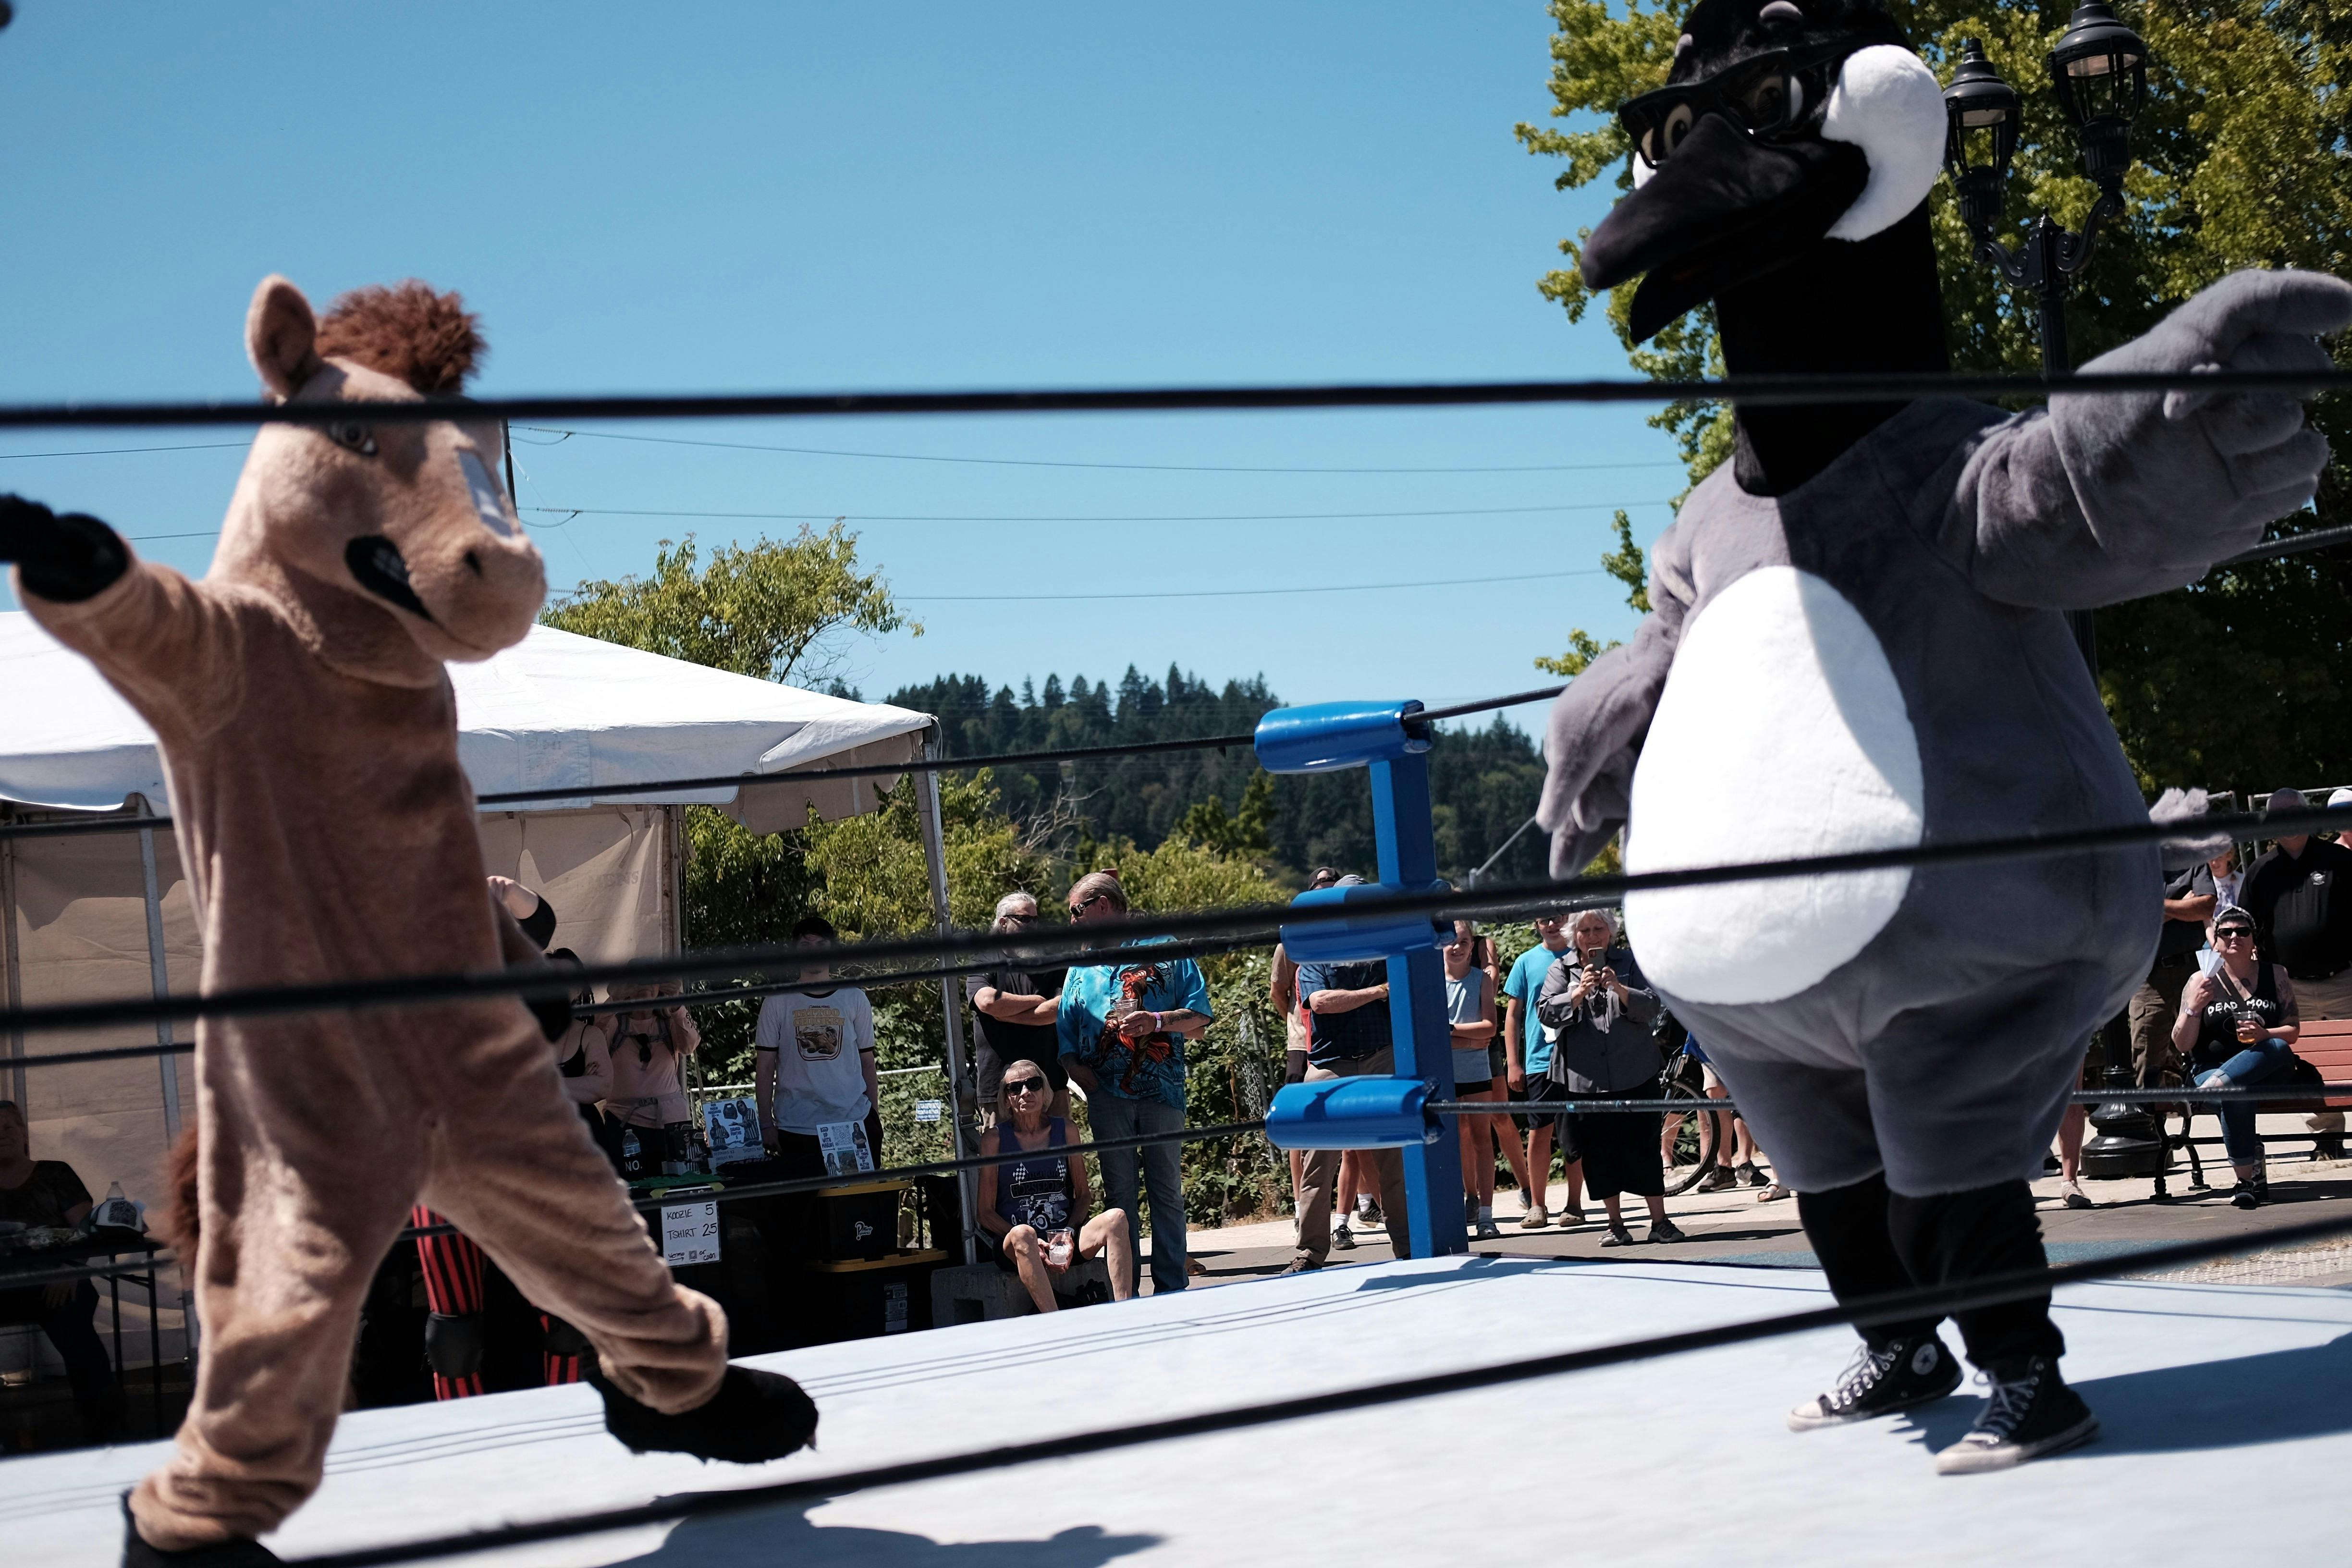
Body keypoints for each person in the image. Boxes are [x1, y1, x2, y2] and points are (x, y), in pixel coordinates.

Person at [1057, 871, 1213, 1297]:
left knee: (1166, 1191)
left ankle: (1171, 1289)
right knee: (1119, 1197)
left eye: (1077, 911)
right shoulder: (1080, 966)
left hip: (1162, 1092)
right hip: (1106, 1098)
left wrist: (1157, 1021)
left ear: (1103, 906)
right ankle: (1126, 1294)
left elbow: (1200, 1016)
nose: (1072, 922)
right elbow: (1065, 1035)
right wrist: (1074, 1068)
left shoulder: (1165, 950)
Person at [1285, 876, 1416, 1271]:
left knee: (1395, 1157)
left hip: (1382, 1057)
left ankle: (1408, 1247)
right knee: (1317, 1161)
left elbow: (1412, 991)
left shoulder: (1386, 951)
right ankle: (1310, 1252)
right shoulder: (1316, 956)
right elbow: (1322, 1003)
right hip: (1330, 1065)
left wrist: (1375, 993)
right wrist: (1379, 992)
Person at [1535, 910, 1683, 1246]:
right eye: (1584, 930)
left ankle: (1660, 1222)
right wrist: (1577, 994)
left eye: (1599, 928)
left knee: (1644, 1148)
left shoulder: (1630, 962)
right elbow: (1545, 1011)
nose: (1592, 936)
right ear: (1574, 936)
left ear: (1611, 932)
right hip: (1585, 1079)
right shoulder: (1561, 969)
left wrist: (1619, 987)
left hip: (1635, 1072)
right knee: (1599, 1154)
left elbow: (1653, 1006)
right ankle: (1615, 1225)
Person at [0, 1101, 123, 1439]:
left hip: (56, 1282)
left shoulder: (55, 1174)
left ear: (24, 1133)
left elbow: (87, 1230)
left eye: (8, 1127)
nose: (2, 1135)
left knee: (75, 1331)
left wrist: (70, 1269)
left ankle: (103, 1425)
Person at [2244, 788, 2352, 1160]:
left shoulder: (2339, 860)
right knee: (2311, 1064)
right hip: (2290, 988)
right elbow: (2247, 927)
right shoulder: (2261, 871)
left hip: (2344, 981)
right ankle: (2328, 1137)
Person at [973, 1064, 1135, 1312]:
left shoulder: (1066, 1130)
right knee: (1023, 1234)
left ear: (1045, 1091)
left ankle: (1126, 1313)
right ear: (1006, 1099)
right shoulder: (994, 1139)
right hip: (1017, 1245)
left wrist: (1068, 1233)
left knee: (1117, 1218)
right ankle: (1055, 1320)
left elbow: (1083, 1195)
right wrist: (1031, 1241)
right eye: (1015, 1088)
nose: (1026, 1092)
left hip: (1064, 1238)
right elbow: (985, 1213)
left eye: (1033, 1084)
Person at [2173, 906, 2302, 1208]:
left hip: (2267, 1068)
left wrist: (2265, 1034)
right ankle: (2245, 1183)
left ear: (2253, 939)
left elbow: (2293, 1032)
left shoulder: (2276, 974)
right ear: (2215, 941)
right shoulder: (2200, 980)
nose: (2235, 937)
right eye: (2226, 932)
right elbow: (2182, 1043)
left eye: (2243, 931)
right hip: (2210, 1067)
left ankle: (2213, 1089)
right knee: (2237, 1092)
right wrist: (2193, 1008)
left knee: (2277, 1047)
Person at [756, 918, 882, 1177]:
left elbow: (867, 1061)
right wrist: (766, 1124)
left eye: (821, 945)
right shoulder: (776, 1001)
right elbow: (765, 1067)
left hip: (853, 1124)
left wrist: (873, 1116)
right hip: (796, 1128)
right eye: (805, 945)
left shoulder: (855, 997)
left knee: (854, 1202)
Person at [1271, 870, 1343, 1230]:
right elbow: (1278, 991)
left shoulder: (1349, 934)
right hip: (1302, 1041)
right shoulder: (1292, 940)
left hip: (1342, 1038)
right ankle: (1302, 1205)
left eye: (1332, 892)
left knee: (1344, 1117)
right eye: (1320, 892)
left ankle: (1356, 1204)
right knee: (1301, 1124)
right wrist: (1297, 1022)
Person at [1503, 914, 1583, 1228]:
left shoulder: (1581, 955)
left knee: (1574, 1133)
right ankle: (1537, 1205)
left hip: (1577, 1059)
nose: (1551, 925)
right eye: (1544, 920)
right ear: (1536, 925)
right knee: (1539, 1132)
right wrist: (1514, 1063)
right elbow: (1512, 1016)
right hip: (1539, 1060)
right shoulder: (1525, 962)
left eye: (1557, 918)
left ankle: (1574, 1204)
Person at [966, 893, 1070, 1125]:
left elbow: (1058, 1008)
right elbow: (988, 1002)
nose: (1033, 926)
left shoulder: (1051, 961)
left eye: (1035, 919)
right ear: (1003, 923)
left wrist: (1006, 1016)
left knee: (1060, 1146)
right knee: (1001, 1148)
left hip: (1050, 1084)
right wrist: (1036, 1000)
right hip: (999, 1088)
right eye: (1024, 919)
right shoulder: (984, 960)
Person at [2125, 841, 2217, 1097]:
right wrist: (2181, 905)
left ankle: (2206, 1110)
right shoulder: (2132, 867)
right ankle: (2152, 1118)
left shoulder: (2194, 861)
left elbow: (2206, 906)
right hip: (2150, 977)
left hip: (2194, 971)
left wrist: (2155, 907)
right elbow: (2131, 918)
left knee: (2208, 1048)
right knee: (2146, 1057)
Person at [603, 977, 702, 1178]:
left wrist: (677, 1005)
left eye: (651, 979)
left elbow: (691, 1044)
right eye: (638, 980)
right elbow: (592, 1035)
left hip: (672, 1125)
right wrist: (613, 1001)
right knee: (632, 1188)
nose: (645, 986)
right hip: (624, 1124)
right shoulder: (615, 1023)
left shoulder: (669, 1023)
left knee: (679, 1185)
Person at [1446, 920, 1504, 1239]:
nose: (1457, 947)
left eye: (1464, 942)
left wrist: (1452, 1032)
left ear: (1473, 946)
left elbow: (1490, 1028)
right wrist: (1469, 1040)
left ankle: (1486, 1215)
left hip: (1476, 1073)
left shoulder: (1481, 979)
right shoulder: (1431, 981)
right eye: (1452, 941)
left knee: (1483, 1139)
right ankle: (1455, 1209)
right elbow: (1430, 1034)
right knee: (1452, 1140)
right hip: (1444, 1075)